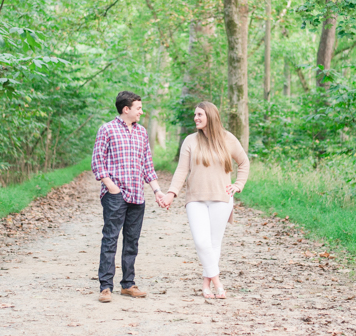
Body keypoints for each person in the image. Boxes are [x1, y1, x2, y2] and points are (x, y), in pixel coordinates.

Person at [160, 101, 249, 300]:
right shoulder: (190, 141)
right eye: (195, 115)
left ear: (210, 116)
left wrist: (238, 185)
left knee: (214, 243)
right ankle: (217, 281)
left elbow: (244, 162)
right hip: (195, 198)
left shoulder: (228, 139)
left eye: (200, 114)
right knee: (201, 242)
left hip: (222, 198)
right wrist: (171, 193)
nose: (196, 118)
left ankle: (206, 283)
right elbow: (182, 170)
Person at [91, 91, 166, 303]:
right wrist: (111, 187)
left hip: (137, 195)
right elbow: (98, 162)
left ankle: (128, 284)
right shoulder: (107, 129)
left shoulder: (142, 132)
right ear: (127, 109)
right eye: (139, 108)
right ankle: (105, 287)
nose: (141, 112)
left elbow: (147, 166)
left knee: (132, 241)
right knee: (110, 239)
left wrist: (157, 190)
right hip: (115, 195)